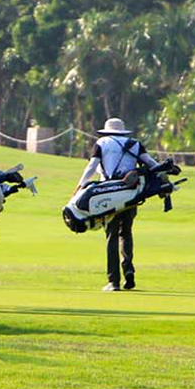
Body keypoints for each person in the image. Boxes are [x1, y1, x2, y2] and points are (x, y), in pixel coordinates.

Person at [74, 117, 158, 292]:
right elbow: (151, 163)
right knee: (125, 233)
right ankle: (128, 269)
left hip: (109, 194)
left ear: (107, 130)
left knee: (111, 235)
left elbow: (92, 166)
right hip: (131, 193)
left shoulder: (102, 142)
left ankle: (113, 281)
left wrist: (81, 186)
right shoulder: (135, 143)